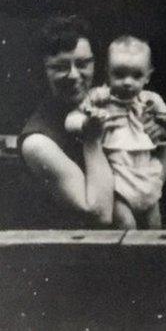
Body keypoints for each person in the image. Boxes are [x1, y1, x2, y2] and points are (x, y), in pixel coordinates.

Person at [65, 36, 166, 229]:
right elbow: (71, 120)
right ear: (107, 72)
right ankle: (129, 258)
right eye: (119, 74)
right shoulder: (98, 97)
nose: (128, 82)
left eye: (136, 76)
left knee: (155, 226)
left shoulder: (150, 100)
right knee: (126, 224)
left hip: (146, 177)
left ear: (148, 76)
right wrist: (87, 123)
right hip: (116, 180)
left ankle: (155, 257)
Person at [16, 15, 114, 227]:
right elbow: (100, 215)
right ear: (44, 71)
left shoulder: (105, 105)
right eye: (60, 67)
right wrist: (92, 141)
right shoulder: (37, 142)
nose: (73, 75)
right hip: (74, 255)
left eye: (82, 64)